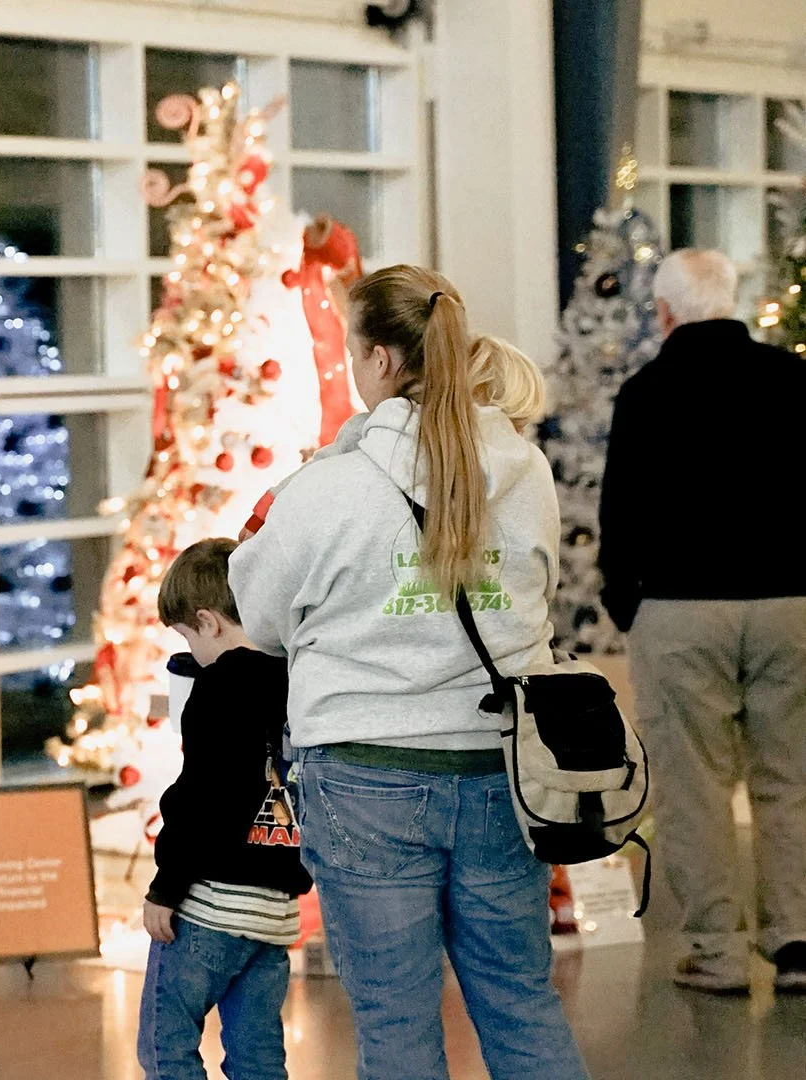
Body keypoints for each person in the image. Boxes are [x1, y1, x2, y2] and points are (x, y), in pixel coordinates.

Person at [229, 266, 588, 1079]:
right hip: (503, 769)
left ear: (384, 361)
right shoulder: (525, 470)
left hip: (365, 775)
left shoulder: (328, 487)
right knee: (522, 1003)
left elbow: (259, 617)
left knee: (395, 1023)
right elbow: (536, 593)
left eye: (356, 349)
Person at [599, 248, 806, 993]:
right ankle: (797, 941)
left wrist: (626, 602)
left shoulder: (647, 392)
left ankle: (717, 950)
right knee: (793, 779)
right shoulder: (794, 380)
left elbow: (618, 512)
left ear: (664, 313)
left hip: (682, 609)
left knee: (694, 786)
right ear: (733, 299)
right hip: (791, 606)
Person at [137, 538, 313, 1080]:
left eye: (188, 635)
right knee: (259, 1055)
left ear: (209, 622)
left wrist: (166, 887)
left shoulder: (215, 689)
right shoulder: (297, 677)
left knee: (167, 1048)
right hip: (275, 915)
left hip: (208, 908)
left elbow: (200, 796)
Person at [238, 332, 545, 542]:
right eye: (513, 427)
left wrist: (264, 513)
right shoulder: (526, 473)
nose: (509, 441)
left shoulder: (381, 436)